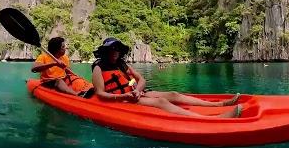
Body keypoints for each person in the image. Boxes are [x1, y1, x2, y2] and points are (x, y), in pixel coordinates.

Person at [91, 37, 243, 118]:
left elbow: (141, 79)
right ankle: (211, 120)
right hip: (123, 99)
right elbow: (100, 93)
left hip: (135, 93)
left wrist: (137, 90)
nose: (115, 52)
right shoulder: (99, 68)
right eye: (111, 49)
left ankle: (219, 105)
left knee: (174, 94)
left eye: (117, 49)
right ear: (105, 51)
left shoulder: (122, 65)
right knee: (162, 101)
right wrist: (126, 95)